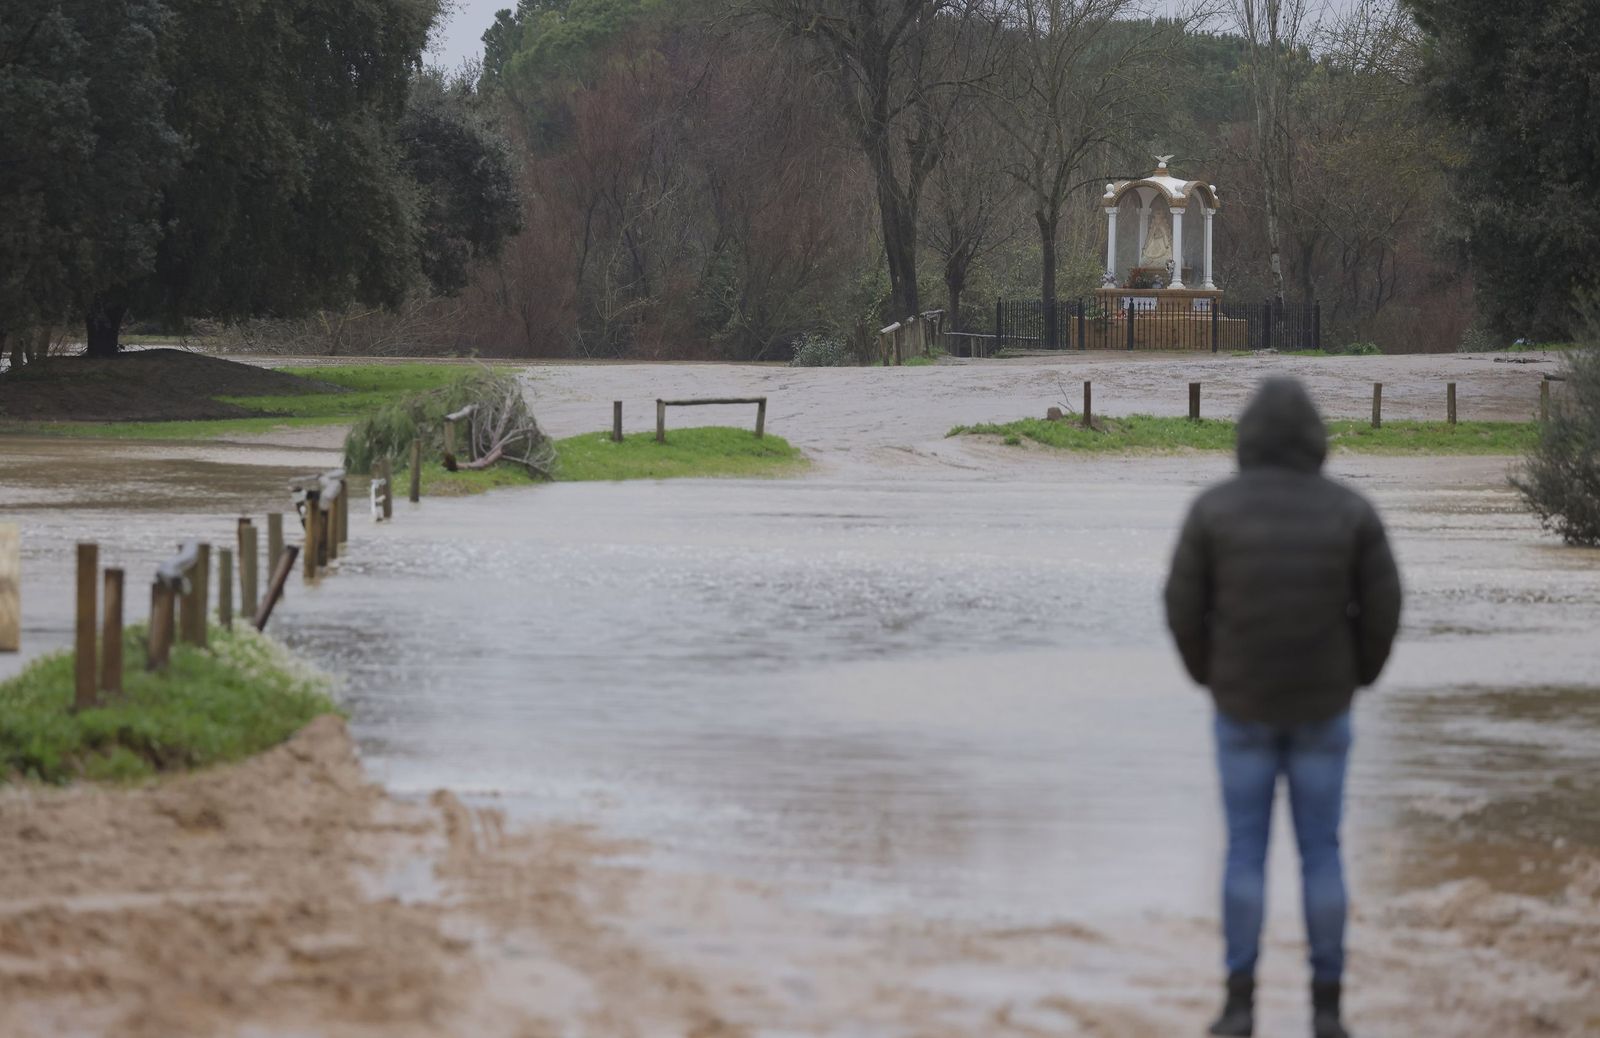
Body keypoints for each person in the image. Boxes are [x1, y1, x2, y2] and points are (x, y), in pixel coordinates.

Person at [1164, 378, 1402, 1038]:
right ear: (1315, 439)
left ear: (1245, 438)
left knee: (1244, 852)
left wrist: (1210, 676)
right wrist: (1357, 676)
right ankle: (1327, 1011)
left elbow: (1181, 607)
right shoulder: (1352, 511)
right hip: (1325, 707)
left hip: (1240, 706)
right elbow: (1384, 607)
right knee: (1321, 853)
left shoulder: (1212, 511)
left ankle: (1239, 1006)